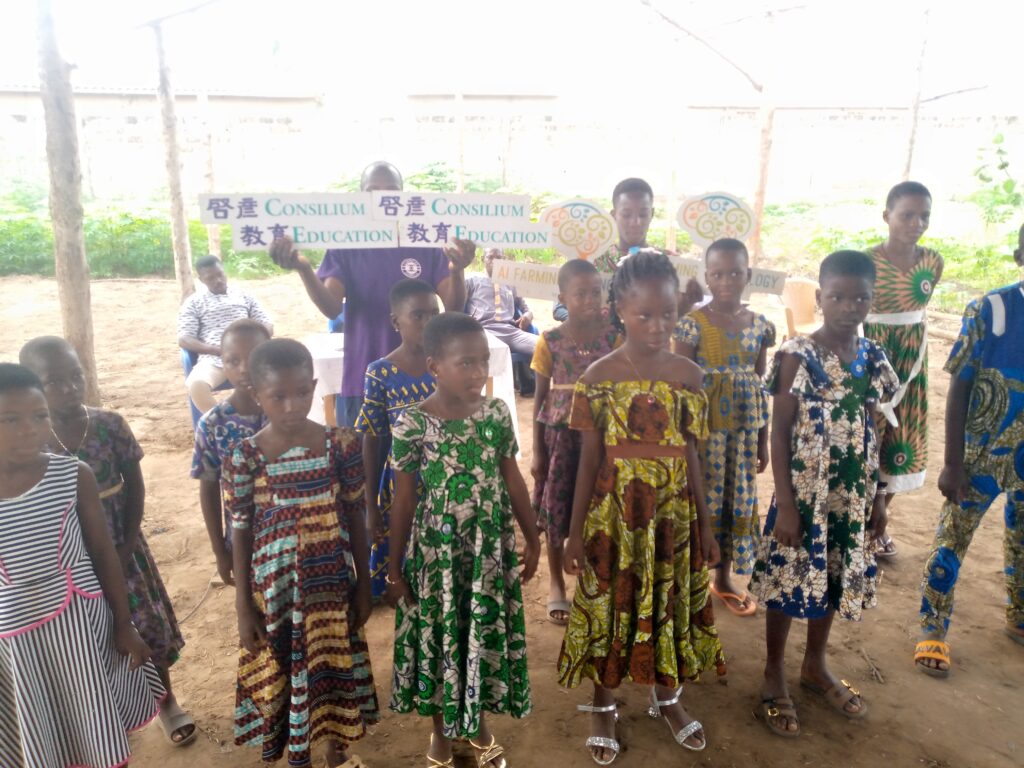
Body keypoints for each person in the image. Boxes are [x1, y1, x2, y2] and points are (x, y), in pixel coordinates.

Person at [559, 250, 724, 764]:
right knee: (613, 601)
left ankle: (666, 695)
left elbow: (691, 453)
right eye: (644, 314)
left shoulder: (689, 376)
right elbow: (588, 461)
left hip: (673, 514)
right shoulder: (597, 378)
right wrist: (573, 532)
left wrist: (706, 526)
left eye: (668, 314)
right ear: (619, 311)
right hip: (616, 517)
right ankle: (603, 701)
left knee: (668, 598)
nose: (657, 325)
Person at [749, 250, 898, 738]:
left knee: (832, 573)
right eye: (837, 296)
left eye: (860, 298)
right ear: (819, 297)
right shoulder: (798, 354)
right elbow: (779, 432)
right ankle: (774, 670)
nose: (849, 307)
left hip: (850, 495)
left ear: (872, 300)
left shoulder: (872, 356)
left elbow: (873, 428)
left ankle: (814, 664)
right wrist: (786, 505)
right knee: (788, 577)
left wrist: (878, 497)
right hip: (804, 496)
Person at [20, 336, 195, 747]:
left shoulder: (109, 425)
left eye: (75, 376)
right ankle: (111, 711)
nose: (69, 388)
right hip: (67, 557)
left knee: (144, 624)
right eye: (53, 381)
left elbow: (135, 487)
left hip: (121, 546)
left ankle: (166, 701)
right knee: (88, 634)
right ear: (32, 386)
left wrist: (129, 543)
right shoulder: (29, 443)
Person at [386, 312, 540, 768]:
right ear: (435, 366)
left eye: (483, 361)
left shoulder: (495, 414)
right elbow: (403, 500)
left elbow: (513, 480)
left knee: (477, 634)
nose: (477, 372)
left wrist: (533, 539)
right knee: (440, 636)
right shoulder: (413, 424)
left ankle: (477, 725)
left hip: (487, 550)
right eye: (465, 363)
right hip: (438, 554)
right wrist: (393, 570)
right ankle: (440, 731)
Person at [0, 363, 165, 768]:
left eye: (39, 416)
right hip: (17, 639)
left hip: (83, 625)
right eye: (10, 420)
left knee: (98, 725)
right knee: (40, 729)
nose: (29, 430)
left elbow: (103, 552)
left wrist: (123, 623)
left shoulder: (73, 475)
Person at [227, 339, 378, 768]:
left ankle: (335, 748)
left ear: (314, 386)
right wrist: (243, 606)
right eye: (278, 396)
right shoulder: (246, 456)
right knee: (286, 671)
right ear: (256, 394)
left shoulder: (341, 443)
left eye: (301, 392)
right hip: (277, 593)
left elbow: (356, 514)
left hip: (331, 585)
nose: (292, 405)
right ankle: (301, 755)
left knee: (331, 662)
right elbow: (240, 530)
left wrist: (364, 585)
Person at [269, 161, 476, 427]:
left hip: (424, 377)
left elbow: (452, 307)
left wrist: (457, 270)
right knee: (365, 452)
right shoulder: (346, 244)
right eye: (372, 192)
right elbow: (331, 308)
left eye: (391, 191)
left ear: (403, 197)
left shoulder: (425, 239)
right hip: (363, 374)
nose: (381, 199)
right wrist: (304, 269)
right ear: (360, 197)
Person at [914, 225, 1024, 679]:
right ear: (1019, 256)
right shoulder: (992, 309)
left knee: (1022, 539)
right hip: (981, 455)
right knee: (954, 537)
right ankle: (933, 626)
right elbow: (959, 387)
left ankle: (1019, 616)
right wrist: (953, 462)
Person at [674, 238, 775, 617]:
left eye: (735, 273)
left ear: (748, 275)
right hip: (703, 435)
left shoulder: (761, 326)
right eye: (718, 274)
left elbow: (759, 384)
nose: (727, 280)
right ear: (707, 277)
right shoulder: (691, 325)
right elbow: (682, 383)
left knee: (736, 498)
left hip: (743, 436)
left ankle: (723, 578)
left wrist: (762, 441)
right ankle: (690, 578)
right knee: (700, 499)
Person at [530, 259, 619, 625]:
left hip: (603, 435)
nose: (589, 300)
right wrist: (538, 451)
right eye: (580, 293)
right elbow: (539, 398)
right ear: (562, 297)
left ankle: (593, 579)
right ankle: (556, 581)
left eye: (595, 292)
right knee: (557, 506)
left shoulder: (614, 337)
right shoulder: (550, 340)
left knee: (600, 504)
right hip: (560, 440)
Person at [863, 181, 943, 559]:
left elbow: (917, 311)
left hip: (911, 361)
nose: (917, 223)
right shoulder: (867, 262)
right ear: (887, 216)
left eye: (924, 216)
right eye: (907, 215)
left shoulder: (933, 262)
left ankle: (877, 524)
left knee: (899, 439)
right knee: (868, 435)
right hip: (873, 353)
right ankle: (857, 521)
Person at [355, 278, 439, 601]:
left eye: (434, 314)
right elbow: (371, 440)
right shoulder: (380, 373)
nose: (428, 323)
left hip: (445, 483)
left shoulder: (446, 365)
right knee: (404, 569)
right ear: (395, 322)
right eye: (418, 315)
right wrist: (371, 505)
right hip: (401, 486)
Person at [552, 177, 703, 321]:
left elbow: (673, 319)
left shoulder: (669, 263)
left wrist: (685, 306)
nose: (635, 222)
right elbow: (561, 307)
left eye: (643, 214)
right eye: (626, 214)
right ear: (614, 215)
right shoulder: (594, 262)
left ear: (652, 214)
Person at [190, 319, 270, 586]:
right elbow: (208, 487)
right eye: (233, 361)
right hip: (243, 541)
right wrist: (219, 551)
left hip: (295, 535)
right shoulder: (213, 424)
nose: (244, 368)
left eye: (254, 357)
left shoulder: (288, 412)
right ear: (222, 365)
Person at [178, 254, 274, 415]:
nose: (218, 280)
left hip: (252, 357)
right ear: (201, 280)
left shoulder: (244, 295)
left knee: (283, 376)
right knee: (196, 385)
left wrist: (254, 345)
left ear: (224, 272)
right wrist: (218, 350)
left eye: (220, 275)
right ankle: (223, 422)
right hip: (216, 359)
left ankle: (267, 420)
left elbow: (267, 324)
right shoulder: (193, 302)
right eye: (210, 278)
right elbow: (185, 339)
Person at [464, 247, 538, 395]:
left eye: (499, 257)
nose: (495, 261)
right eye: (491, 257)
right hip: (483, 332)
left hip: (511, 332)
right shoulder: (472, 281)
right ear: (483, 260)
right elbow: (458, 308)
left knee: (545, 346)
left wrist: (527, 316)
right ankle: (490, 396)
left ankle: (540, 390)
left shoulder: (510, 284)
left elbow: (526, 309)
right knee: (495, 352)